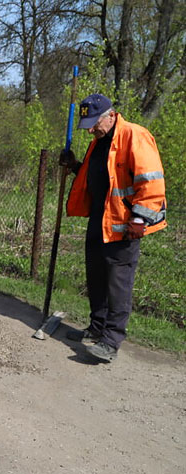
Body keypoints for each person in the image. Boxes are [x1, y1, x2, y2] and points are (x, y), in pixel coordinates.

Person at [60, 93, 167, 362]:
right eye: (89, 125)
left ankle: (111, 339)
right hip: (100, 219)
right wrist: (75, 166)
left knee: (117, 283)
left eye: (95, 123)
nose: (92, 130)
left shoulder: (134, 135)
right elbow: (100, 175)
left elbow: (151, 182)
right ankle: (97, 328)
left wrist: (140, 219)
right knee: (95, 276)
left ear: (110, 115)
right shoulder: (99, 142)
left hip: (125, 224)